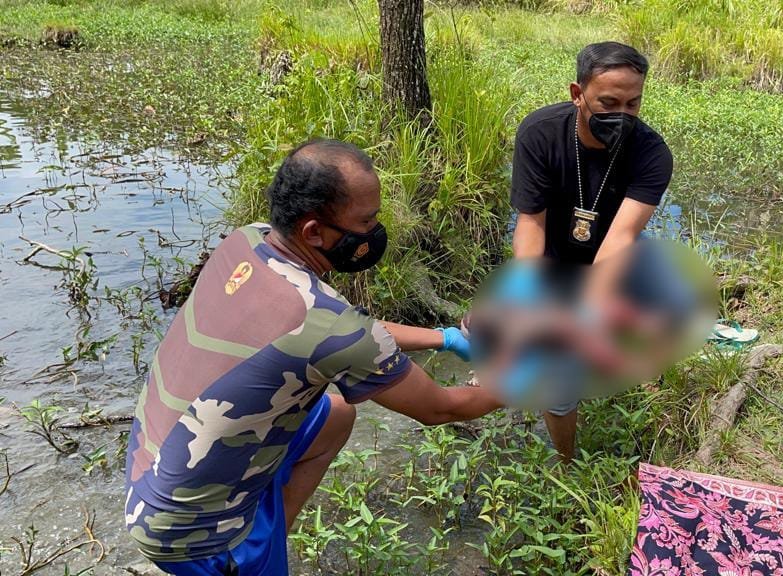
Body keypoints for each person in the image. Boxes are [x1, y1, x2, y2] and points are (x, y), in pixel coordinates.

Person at [123, 138, 502, 575]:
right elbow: (441, 408)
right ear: (313, 232)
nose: (375, 231)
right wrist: (521, 379)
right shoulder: (331, 327)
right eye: (366, 221)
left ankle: (271, 537)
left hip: (149, 471)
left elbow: (342, 330)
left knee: (335, 414)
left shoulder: (247, 240)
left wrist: (444, 338)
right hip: (190, 532)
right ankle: (249, 556)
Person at [509, 41, 673, 462]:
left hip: (615, 255)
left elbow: (622, 235)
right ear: (577, 93)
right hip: (553, 256)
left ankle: (640, 378)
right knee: (558, 372)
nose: (622, 115)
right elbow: (531, 223)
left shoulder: (651, 153)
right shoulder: (540, 133)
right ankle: (567, 462)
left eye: (633, 104)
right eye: (608, 103)